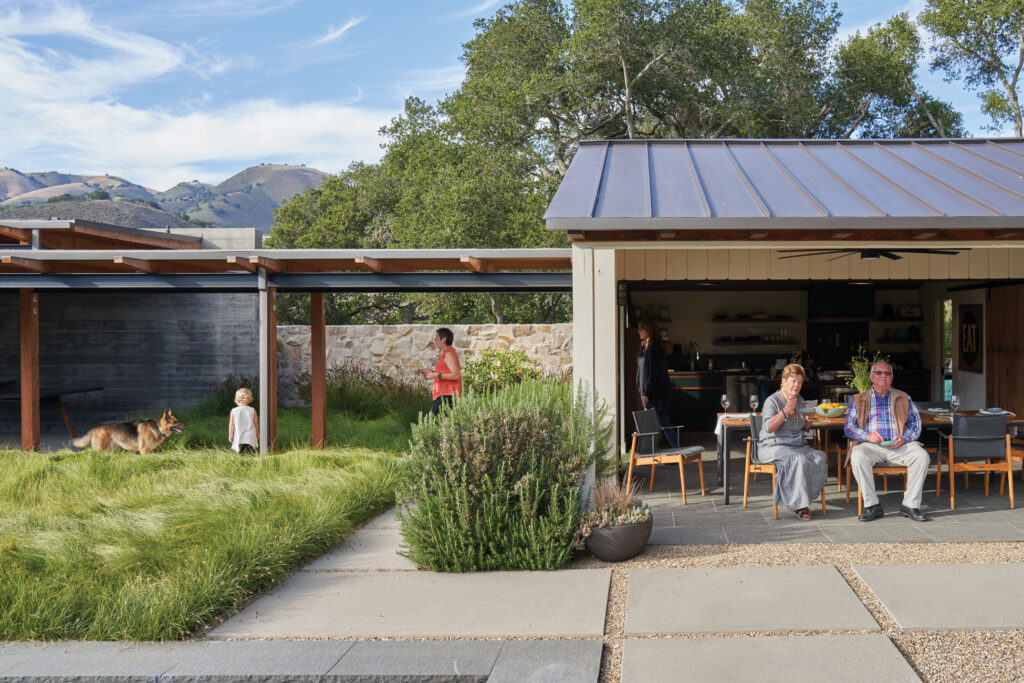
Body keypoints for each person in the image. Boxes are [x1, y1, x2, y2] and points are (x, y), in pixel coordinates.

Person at [844, 360, 930, 522]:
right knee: (857, 455)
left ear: (892, 377)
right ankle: (872, 505)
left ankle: (910, 505)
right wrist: (866, 436)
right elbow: (848, 426)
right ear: (871, 377)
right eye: (878, 373)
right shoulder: (859, 399)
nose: (883, 376)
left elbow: (916, 425)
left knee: (921, 456)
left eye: (887, 373)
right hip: (872, 446)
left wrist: (904, 438)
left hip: (899, 445)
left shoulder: (904, 397)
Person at [758, 363, 828, 520]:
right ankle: (798, 505)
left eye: (800, 382)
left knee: (820, 456)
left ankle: (804, 498)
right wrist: (786, 410)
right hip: (773, 445)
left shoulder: (800, 400)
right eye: (793, 381)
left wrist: (809, 420)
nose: (797, 385)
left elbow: (802, 428)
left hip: (796, 445)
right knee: (798, 459)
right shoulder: (773, 401)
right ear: (783, 381)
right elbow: (769, 427)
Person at [636, 319, 678, 448]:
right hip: (649, 393)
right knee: (657, 425)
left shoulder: (655, 348)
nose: (638, 332)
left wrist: (647, 393)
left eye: (641, 329)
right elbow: (641, 366)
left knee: (663, 424)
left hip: (656, 394)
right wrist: (641, 348)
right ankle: (672, 452)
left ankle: (677, 452)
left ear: (647, 331)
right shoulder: (648, 348)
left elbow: (653, 374)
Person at [420, 327, 462, 416]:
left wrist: (435, 374)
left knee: (431, 424)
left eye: (437, 337)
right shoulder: (446, 353)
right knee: (439, 426)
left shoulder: (449, 354)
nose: (435, 340)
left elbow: (455, 375)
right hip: (444, 396)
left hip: (447, 396)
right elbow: (446, 372)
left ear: (444, 340)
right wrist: (431, 372)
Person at [228, 387, 258, 454]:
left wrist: (230, 434)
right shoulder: (252, 410)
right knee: (251, 452)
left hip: (239, 434)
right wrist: (256, 433)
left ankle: (242, 463)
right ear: (249, 399)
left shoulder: (234, 411)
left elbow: (232, 424)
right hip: (250, 435)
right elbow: (255, 423)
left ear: (237, 399)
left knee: (241, 452)